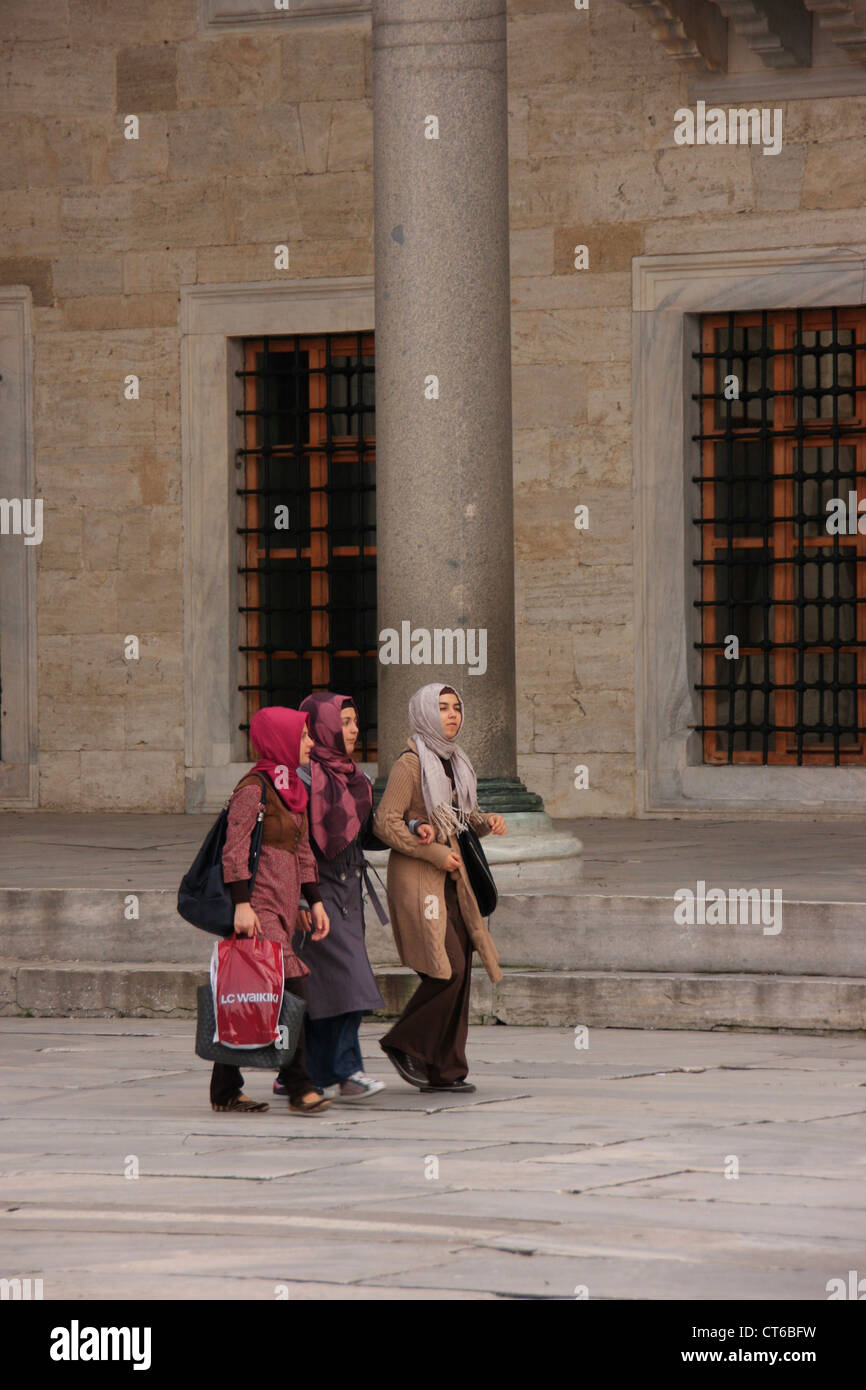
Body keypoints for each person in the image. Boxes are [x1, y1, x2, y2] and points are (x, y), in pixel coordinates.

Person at [373, 683, 507, 1093]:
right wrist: (431, 853)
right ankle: (404, 1043)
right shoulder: (411, 764)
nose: (452, 715)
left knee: (462, 970)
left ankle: (446, 1070)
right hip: (420, 879)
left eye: (456, 708)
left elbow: (459, 820)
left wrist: (485, 822)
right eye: (443, 708)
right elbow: (385, 822)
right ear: (425, 714)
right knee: (448, 968)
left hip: (454, 879)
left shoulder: (455, 761)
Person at [210, 705, 332, 1116]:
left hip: (282, 906)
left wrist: (313, 900)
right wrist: (242, 904)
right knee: (291, 991)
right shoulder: (253, 789)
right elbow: (235, 851)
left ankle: (225, 1087)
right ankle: (300, 1087)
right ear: (279, 740)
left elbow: (302, 851)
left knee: (254, 994)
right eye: (302, 737)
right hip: (258, 906)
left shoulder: (290, 789)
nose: (310, 744)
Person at [275, 692, 388, 1102]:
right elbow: (290, 847)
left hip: (347, 896)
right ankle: (344, 1070)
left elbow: (366, 833)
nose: (354, 729)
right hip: (318, 897)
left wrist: (410, 824)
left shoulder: (352, 776)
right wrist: (303, 901)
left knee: (333, 991)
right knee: (346, 985)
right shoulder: (301, 778)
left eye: (356, 721)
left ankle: (308, 1071)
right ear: (321, 726)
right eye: (344, 721)